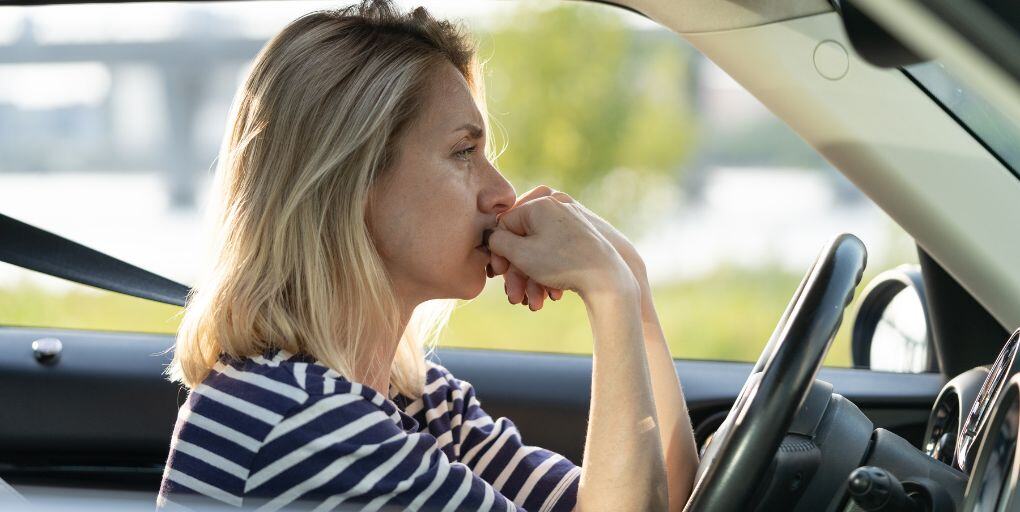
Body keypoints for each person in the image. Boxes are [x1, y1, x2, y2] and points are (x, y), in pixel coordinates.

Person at [157, 1, 698, 510]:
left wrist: (631, 285)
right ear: (355, 181)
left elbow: (662, 497)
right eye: (464, 152)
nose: (502, 192)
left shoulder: (414, 400)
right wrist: (609, 296)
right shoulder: (306, 422)